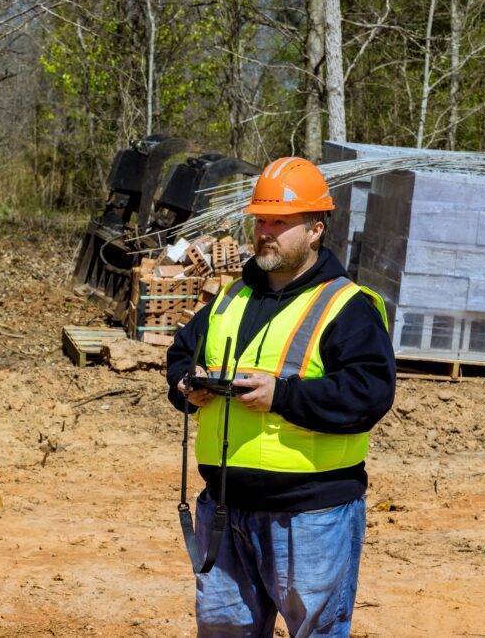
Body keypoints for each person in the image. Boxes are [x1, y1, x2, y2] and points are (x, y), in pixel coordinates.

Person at [166, 156, 396, 637]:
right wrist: (187, 385)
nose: (265, 233)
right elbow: (182, 353)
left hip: (310, 516)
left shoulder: (347, 306)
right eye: (261, 221)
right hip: (224, 508)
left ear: (315, 230)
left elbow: (368, 394)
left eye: (279, 223)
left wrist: (282, 396)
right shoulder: (231, 298)